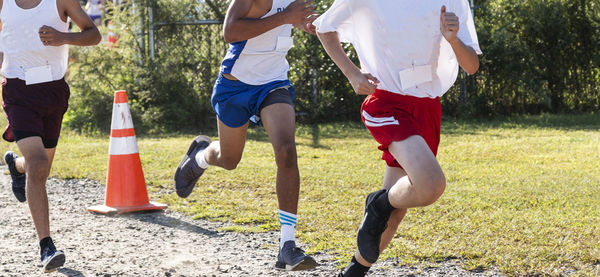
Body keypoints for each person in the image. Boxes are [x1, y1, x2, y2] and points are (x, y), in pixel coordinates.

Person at [313, 0, 482, 276]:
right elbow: (325, 28)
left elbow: (472, 65)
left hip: (427, 108)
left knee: (395, 214)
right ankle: (377, 203)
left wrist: (453, 40)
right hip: (386, 102)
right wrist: (352, 73)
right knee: (430, 185)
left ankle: (353, 272)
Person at [174, 0, 319, 271]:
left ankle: (287, 246)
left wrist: (303, 23)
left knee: (287, 151)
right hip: (235, 86)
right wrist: (285, 17)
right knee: (229, 159)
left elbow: (291, 20)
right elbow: (230, 31)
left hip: (274, 83)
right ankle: (200, 156)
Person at [0, 0, 101, 272]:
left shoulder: (61, 1)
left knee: (39, 167)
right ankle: (46, 246)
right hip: (17, 91)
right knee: (40, 166)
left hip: (53, 91)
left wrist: (63, 37)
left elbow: (94, 34)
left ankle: (16, 166)